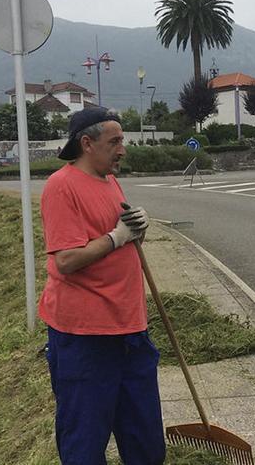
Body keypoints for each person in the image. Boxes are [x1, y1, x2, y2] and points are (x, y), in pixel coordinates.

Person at [39, 107, 165, 465]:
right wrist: (116, 237)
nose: (122, 149)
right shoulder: (61, 187)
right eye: (114, 142)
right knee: (85, 441)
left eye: (122, 140)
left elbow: (120, 234)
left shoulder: (109, 180)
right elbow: (65, 259)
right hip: (85, 337)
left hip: (129, 329)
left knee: (145, 440)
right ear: (86, 143)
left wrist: (135, 229)